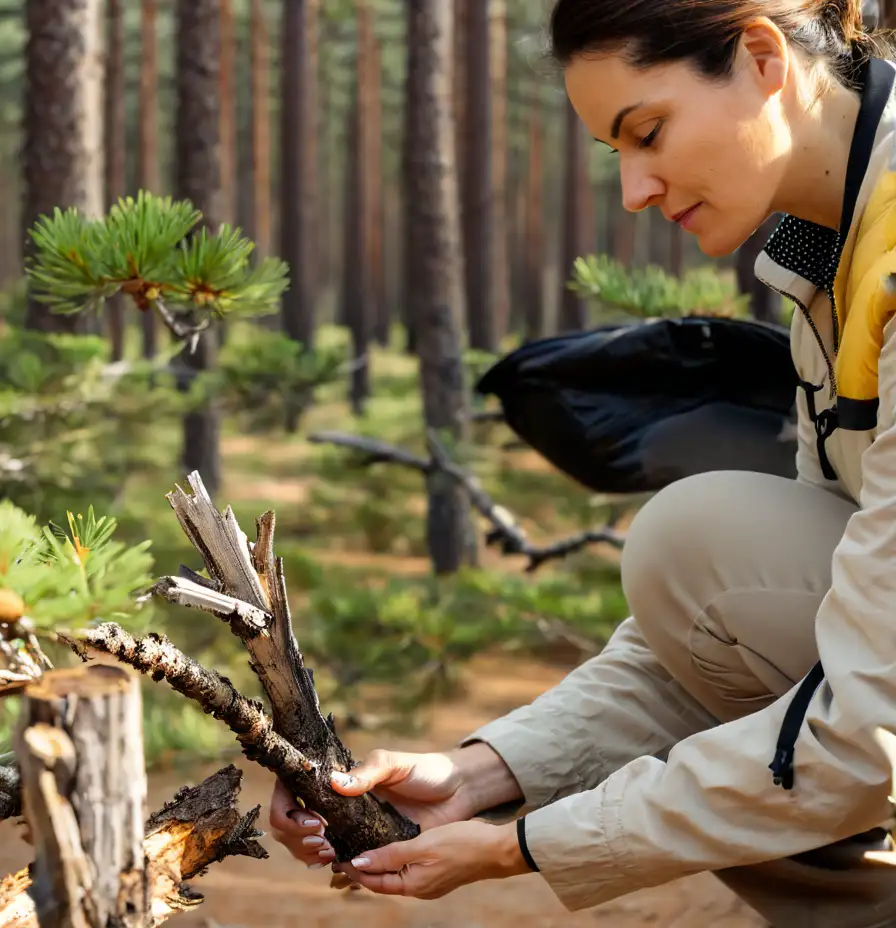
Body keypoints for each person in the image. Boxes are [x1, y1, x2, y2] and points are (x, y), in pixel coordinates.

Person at [270, 2, 896, 925]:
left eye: (648, 132)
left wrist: (522, 848)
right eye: (617, 154)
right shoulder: (833, 251)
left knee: (699, 545)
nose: (636, 189)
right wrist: (483, 776)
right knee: (704, 560)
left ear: (763, 55)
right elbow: (734, 644)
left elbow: (869, 723)